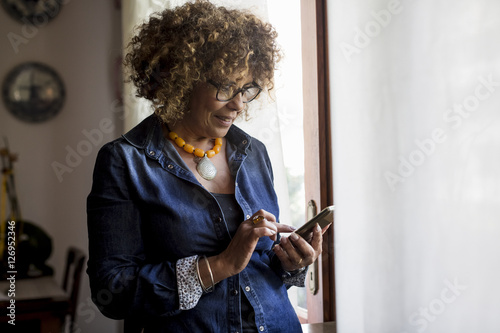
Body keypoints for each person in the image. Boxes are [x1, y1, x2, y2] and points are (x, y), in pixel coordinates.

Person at [87, 1, 326, 332]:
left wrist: (290, 264)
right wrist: (221, 264)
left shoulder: (253, 152)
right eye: (226, 87)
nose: (238, 104)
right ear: (181, 80)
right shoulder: (125, 162)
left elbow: (259, 272)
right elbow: (111, 293)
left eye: (247, 90)